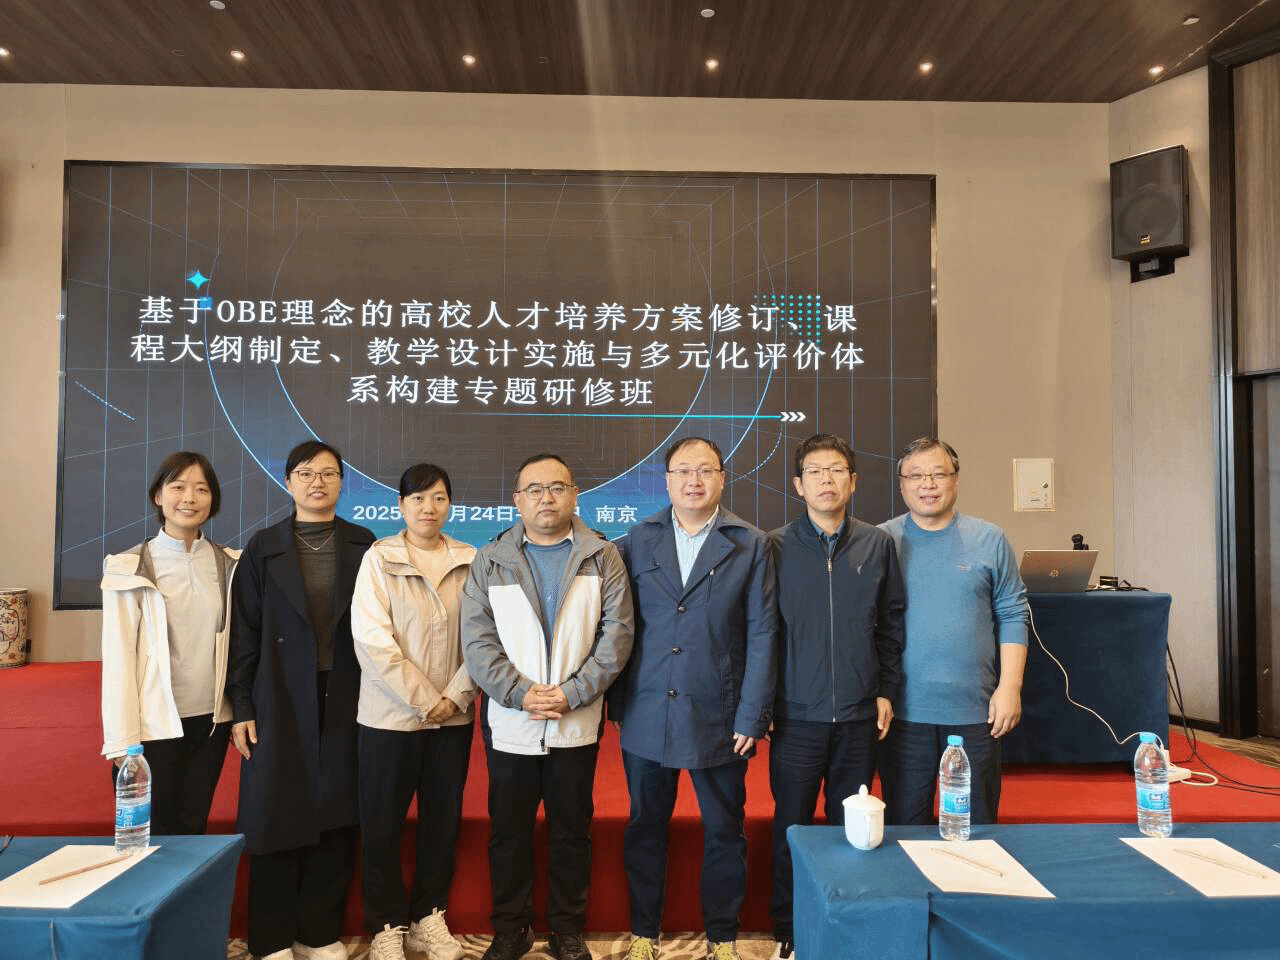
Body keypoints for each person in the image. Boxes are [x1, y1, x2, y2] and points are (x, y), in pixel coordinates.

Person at [461, 453, 634, 960]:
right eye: (534, 490)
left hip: (575, 720)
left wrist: (573, 693)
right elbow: (477, 640)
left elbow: (617, 635)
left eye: (557, 487)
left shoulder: (603, 556)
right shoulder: (490, 559)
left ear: (574, 495)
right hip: (511, 722)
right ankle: (510, 929)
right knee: (508, 833)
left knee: (571, 832)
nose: (546, 498)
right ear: (517, 500)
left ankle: (566, 930)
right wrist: (519, 692)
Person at [611, 437, 777, 960]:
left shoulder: (750, 543)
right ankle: (644, 934)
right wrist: (618, 703)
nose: (694, 481)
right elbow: (618, 624)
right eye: (682, 471)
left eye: (705, 470)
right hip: (647, 708)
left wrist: (752, 713)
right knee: (645, 827)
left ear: (722, 479)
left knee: (725, 831)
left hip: (719, 713)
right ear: (666, 481)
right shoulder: (638, 539)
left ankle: (722, 938)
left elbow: (763, 632)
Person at [227, 440, 376, 960]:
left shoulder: (364, 544)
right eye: (307, 473)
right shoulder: (263, 547)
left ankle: (318, 933)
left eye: (329, 473)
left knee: (338, 809)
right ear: (288, 481)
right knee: (275, 811)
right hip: (279, 695)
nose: (318, 482)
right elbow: (243, 633)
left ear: (341, 483)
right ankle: (270, 938)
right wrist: (242, 705)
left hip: (348, 694)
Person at [765, 434, 905, 959]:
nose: (827, 479)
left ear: (853, 481)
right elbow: (762, 632)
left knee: (855, 828)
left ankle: (848, 924)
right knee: (793, 828)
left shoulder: (877, 545)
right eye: (815, 471)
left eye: (837, 470)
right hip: (795, 717)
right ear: (798, 485)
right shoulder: (774, 547)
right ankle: (789, 926)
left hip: (857, 715)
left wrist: (885, 689)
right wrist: (765, 704)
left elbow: (890, 624)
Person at [351, 463, 475, 960]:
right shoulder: (379, 558)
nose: (429, 508)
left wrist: (456, 696)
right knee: (381, 825)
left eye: (439, 498)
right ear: (401, 505)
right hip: (389, 718)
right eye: (418, 498)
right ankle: (385, 925)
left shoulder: (471, 559)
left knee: (442, 822)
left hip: (454, 718)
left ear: (450, 505)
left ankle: (429, 917)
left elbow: (483, 639)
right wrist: (427, 700)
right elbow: (372, 641)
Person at [877, 436, 1028, 828]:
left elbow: (1013, 614)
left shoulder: (990, 539)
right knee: (905, 829)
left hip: (976, 712)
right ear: (901, 485)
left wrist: (1010, 687)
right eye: (915, 475)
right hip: (904, 713)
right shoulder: (881, 542)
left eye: (938, 474)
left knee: (975, 829)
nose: (927, 484)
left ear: (955, 480)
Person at [100, 451, 239, 836]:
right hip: (152, 727)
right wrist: (122, 740)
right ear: (158, 497)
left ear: (213, 500)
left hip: (210, 725)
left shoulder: (231, 564)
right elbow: (118, 657)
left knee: (192, 829)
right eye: (178, 487)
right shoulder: (128, 567)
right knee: (149, 834)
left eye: (201, 489)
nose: (189, 498)